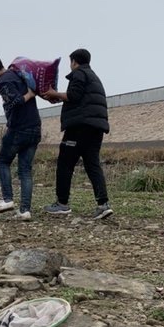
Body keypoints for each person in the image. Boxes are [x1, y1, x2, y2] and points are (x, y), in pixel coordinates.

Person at [43, 48, 113, 219]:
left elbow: (74, 95)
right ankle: (103, 204)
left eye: (70, 62)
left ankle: (62, 204)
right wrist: (59, 96)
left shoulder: (79, 74)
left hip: (80, 126)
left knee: (65, 163)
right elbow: (81, 97)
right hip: (96, 127)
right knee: (92, 164)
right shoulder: (93, 77)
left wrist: (54, 94)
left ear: (74, 61)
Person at [0, 51, 41, 221]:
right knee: (25, 171)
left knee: (3, 162)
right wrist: (30, 92)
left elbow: (15, 101)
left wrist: (28, 95)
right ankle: (25, 210)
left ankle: (7, 199)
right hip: (35, 127)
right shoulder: (17, 75)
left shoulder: (4, 81)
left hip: (18, 129)